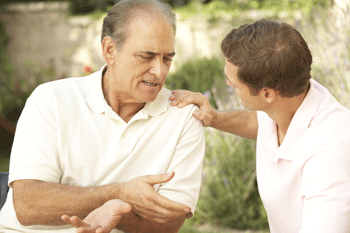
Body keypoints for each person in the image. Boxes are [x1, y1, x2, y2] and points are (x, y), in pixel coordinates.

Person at [0, 0, 205, 232]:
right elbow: (28, 205)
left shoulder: (184, 115)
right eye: (146, 57)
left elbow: (169, 224)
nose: (160, 71)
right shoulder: (51, 99)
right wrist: (117, 193)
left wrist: (118, 211)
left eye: (167, 58)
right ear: (110, 50)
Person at [170, 19, 350, 232]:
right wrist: (215, 118)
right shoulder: (287, 102)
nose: (227, 83)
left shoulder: (328, 157)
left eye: (234, 84)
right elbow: (259, 122)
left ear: (267, 94)